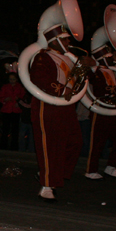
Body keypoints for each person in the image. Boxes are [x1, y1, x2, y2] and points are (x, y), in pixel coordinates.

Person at [29, 27, 90, 202]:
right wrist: (63, 90)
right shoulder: (43, 56)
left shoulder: (68, 58)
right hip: (47, 105)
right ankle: (47, 185)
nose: (69, 43)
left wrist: (88, 68)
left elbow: (77, 81)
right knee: (49, 145)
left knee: (74, 141)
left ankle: (51, 174)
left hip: (65, 106)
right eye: (65, 40)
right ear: (54, 41)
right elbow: (39, 78)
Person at [84, 50, 116, 180]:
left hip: (112, 108)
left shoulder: (110, 70)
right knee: (97, 141)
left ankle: (112, 166)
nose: (111, 59)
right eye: (108, 57)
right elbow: (102, 88)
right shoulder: (97, 71)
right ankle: (91, 170)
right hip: (101, 108)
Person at [0, 72, 26, 150]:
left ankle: (14, 146)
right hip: (6, 110)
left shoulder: (20, 87)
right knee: (5, 129)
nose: (12, 81)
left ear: (16, 79)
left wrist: (18, 103)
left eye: (13, 79)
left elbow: (23, 97)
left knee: (15, 130)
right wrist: (5, 99)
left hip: (16, 110)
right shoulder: (5, 87)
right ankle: (3, 146)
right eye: (10, 79)